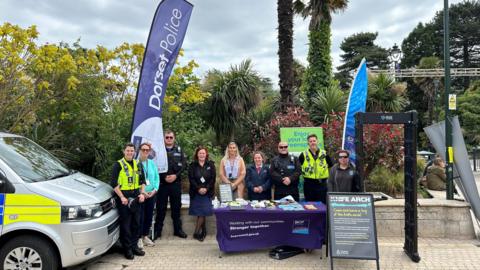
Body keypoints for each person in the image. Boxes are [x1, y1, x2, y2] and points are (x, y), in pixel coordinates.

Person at [111, 143, 146, 260]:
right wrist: (121, 197)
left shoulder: (138, 164)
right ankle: (127, 249)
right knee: (126, 225)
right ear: (124, 151)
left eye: (132, 151)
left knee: (136, 223)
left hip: (136, 196)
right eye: (128, 151)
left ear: (134, 152)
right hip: (124, 197)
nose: (130, 153)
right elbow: (114, 184)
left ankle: (134, 246)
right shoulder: (118, 165)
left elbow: (143, 181)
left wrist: (142, 193)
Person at [155, 130, 187, 240]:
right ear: (164, 138)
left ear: (174, 138)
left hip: (175, 183)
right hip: (162, 184)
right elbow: (154, 166)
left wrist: (175, 176)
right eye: (167, 137)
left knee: (176, 208)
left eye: (171, 137)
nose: (169, 139)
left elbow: (184, 165)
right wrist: (164, 177)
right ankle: (157, 232)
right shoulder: (158, 150)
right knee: (160, 208)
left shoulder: (179, 150)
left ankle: (178, 230)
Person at [188, 146, 216, 241]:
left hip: (207, 193)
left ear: (206, 154)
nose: (202, 155)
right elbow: (191, 179)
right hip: (196, 193)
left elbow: (213, 179)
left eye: (203, 153)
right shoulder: (192, 165)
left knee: (202, 212)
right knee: (201, 213)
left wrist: (206, 189)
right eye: (200, 153)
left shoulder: (210, 165)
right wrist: (199, 188)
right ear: (197, 154)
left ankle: (196, 233)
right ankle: (202, 232)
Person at [299, 134, 333, 204]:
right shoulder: (303, 154)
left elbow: (331, 166)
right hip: (309, 184)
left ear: (317, 142)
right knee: (310, 205)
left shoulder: (324, 154)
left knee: (323, 205)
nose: (312, 143)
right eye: (310, 141)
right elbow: (298, 168)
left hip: (322, 184)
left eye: (314, 141)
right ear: (308, 143)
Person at [137, 143, 159, 248]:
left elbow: (156, 178)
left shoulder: (152, 163)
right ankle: (139, 238)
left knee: (149, 216)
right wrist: (142, 192)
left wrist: (154, 190)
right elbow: (135, 180)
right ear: (140, 150)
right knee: (140, 216)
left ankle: (145, 236)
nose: (145, 151)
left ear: (150, 151)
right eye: (143, 149)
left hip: (151, 195)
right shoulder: (136, 163)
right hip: (141, 194)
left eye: (147, 150)